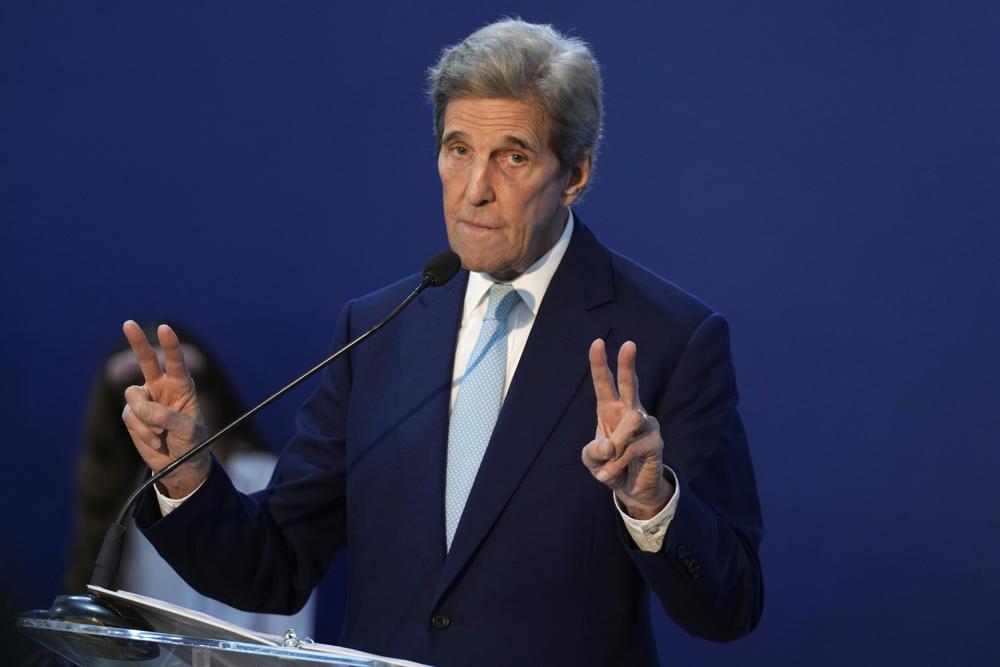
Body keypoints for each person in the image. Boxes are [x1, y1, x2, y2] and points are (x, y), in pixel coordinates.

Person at [121, 19, 763, 667]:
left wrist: (651, 502)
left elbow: (730, 604)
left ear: (575, 174)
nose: (475, 189)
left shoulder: (668, 337)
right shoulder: (378, 328)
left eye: (512, 157)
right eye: (458, 150)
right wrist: (187, 477)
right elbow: (275, 566)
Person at [65, 322, 315, 637]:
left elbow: (287, 612)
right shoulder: (124, 492)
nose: (161, 405)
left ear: (212, 392)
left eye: (186, 384)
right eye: (134, 391)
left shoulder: (265, 473)